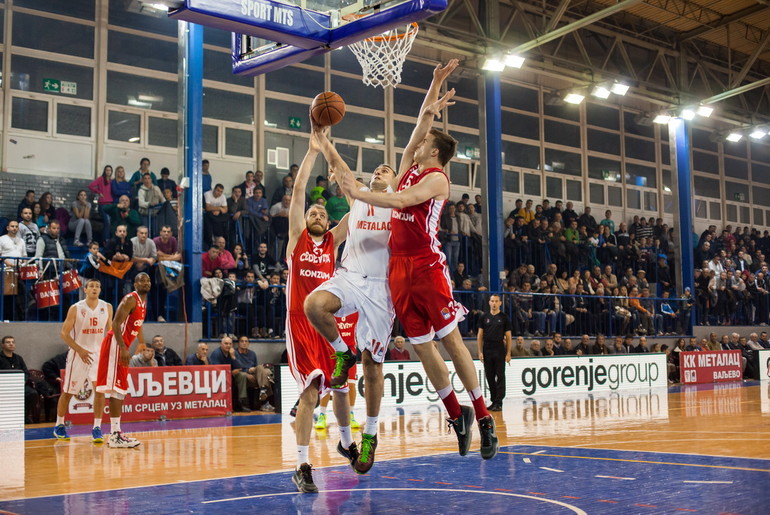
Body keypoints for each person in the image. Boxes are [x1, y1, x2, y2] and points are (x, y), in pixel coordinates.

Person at [341, 59, 497, 460]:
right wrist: (434, 82)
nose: (420, 139)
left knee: (451, 341)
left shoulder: (437, 179)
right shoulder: (410, 163)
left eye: (427, 140)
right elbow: (421, 119)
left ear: (436, 151)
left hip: (426, 265)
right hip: (398, 267)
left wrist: (359, 194)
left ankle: (482, 416)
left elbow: (399, 200)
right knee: (421, 346)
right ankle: (455, 413)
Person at [305, 126, 397, 474]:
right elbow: (339, 166)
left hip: (380, 288)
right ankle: (342, 352)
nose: (378, 171)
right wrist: (322, 137)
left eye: (386, 170)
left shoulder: (398, 206)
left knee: (373, 365)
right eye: (376, 168)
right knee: (314, 305)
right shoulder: (357, 197)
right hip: (348, 277)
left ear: (395, 182)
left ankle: (370, 436)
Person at [284, 134, 351, 493]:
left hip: (327, 326)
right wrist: (312, 151)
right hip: (300, 323)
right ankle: (302, 465)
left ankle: (346, 441)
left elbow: (359, 210)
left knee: (339, 386)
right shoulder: (297, 239)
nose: (318, 215)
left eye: (323, 213)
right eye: (313, 212)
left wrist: (336, 161)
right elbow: (298, 192)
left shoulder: (331, 243)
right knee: (310, 392)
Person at [53, 279, 113, 442]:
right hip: (78, 355)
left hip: (98, 355)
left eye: (98, 286)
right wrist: (79, 350)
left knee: (99, 391)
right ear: (85, 290)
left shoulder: (107, 307)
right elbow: (64, 334)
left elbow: (110, 333)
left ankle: (97, 427)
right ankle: (59, 425)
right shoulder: (76, 308)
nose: (95, 288)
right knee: (68, 392)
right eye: (92, 286)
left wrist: (111, 353)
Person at [95, 272, 150, 448]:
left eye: (148, 280)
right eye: (141, 280)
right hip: (115, 345)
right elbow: (115, 324)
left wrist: (141, 342)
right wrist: (123, 348)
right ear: (135, 284)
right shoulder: (130, 299)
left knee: (119, 390)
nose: (145, 282)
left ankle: (116, 433)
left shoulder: (143, 302)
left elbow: (136, 325)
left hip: (121, 345)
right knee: (115, 389)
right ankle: (115, 434)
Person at [476, 294, 512, 412]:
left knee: (500, 376)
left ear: (500, 303)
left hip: (499, 348)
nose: (494, 303)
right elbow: (480, 335)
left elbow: (508, 336)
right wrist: (480, 352)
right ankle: (493, 400)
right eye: (492, 301)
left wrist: (508, 353)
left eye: (496, 301)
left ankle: (499, 401)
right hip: (487, 348)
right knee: (490, 376)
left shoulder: (504, 317)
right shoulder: (484, 317)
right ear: (489, 302)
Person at [0, 336, 40, 424]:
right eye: (8, 342)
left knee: (32, 393)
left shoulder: (18, 358)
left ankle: (25, 416)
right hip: (4, 386)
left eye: (13, 342)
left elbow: (26, 372)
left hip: (19, 385)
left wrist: (22, 381)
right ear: (2, 345)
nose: (11, 344)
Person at [89, 166, 114, 243]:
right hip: (103, 204)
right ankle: (105, 240)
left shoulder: (111, 181)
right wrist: (98, 192)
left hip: (110, 204)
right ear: (104, 171)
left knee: (110, 222)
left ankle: (110, 239)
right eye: (107, 170)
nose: (108, 172)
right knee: (107, 221)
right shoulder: (101, 179)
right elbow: (90, 186)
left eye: (110, 170)